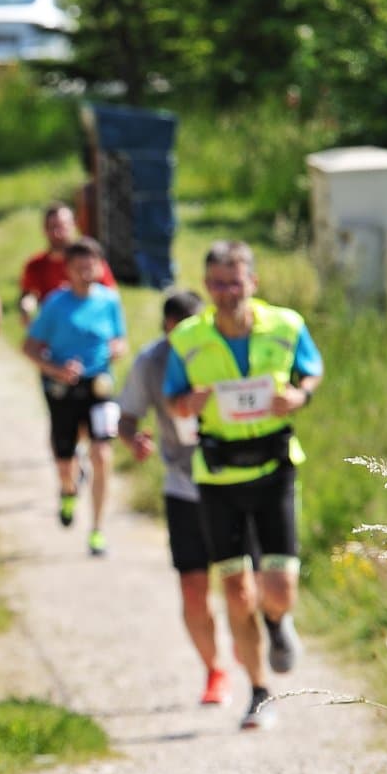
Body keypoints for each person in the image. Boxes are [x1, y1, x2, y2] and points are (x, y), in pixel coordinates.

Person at [164, 241, 323, 730]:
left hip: (274, 469)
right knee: (236, 592)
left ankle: (277, 622)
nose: (226, 292)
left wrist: (298, 395)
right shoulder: (187, 338)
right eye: (217, 284)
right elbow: (174, 403)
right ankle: (258, 691)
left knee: (278, 588)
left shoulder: (286, 324)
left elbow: (311, 371)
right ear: (207, 286)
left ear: (252, 282)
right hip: (219, 477)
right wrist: (189, 402)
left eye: (235, 282)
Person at [120, 290, 229, 707]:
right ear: (165, 330)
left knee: (244, 584)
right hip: (183, 485)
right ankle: (215, 669)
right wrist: (134, 440)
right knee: (193, 587)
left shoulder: (226, 348)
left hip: (234, 482)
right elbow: (125, 417)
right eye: (177, 331)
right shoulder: (151, 363)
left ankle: (251, 638)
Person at [23, 238, 125, 555]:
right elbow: (30, 347)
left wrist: (115, 351)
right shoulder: (55, 304)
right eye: (79, 267)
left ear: (100, 267)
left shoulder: (109, 301)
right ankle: (68, 491)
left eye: (91, 265)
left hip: (99, 387)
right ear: (67, 270)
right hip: (63, 388)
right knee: (64, 461)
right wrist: (55, 369)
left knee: (102, 454)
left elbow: (121, 340)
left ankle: (97, 529)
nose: (86, 272)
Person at [18, 201, 116, 324]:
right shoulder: (36, 265)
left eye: (62, 226)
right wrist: (27, 308)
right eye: (53, 227)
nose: (58, 233)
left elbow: (110, 296)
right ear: (45, 230)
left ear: (74, 226)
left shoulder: (90, 261)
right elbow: (29, 295)